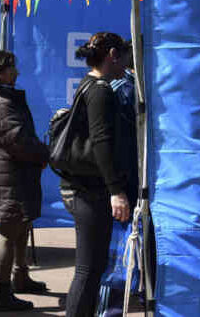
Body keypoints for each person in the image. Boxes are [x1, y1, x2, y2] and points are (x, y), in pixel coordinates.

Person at [0, 50, 49, 312]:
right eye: (11, 68)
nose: (16, 72)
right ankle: (2, 292)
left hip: (8, 176)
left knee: (20, 227)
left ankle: (20, 277)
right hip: (9, 178)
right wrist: (46, 153)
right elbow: (20, 143)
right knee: (8, 232)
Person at [62, 32, 133, 317]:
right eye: (125, 56)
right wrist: (116, 190)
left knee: (93, 267)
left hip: (88, 188)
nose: (128, 63)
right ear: (113, 55)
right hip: (91, 191)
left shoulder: (91, 85)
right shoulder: (100, 90)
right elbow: (101, 142)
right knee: (89, 269)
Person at [98, 41, 140, 317]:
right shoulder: (123, 90)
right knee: (118, 252)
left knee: (128, 247)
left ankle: (117, 303)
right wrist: (118, 187)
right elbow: (118, 143)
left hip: (129, 178)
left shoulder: (126, 87)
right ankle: (109, 309)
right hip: (126, 181)